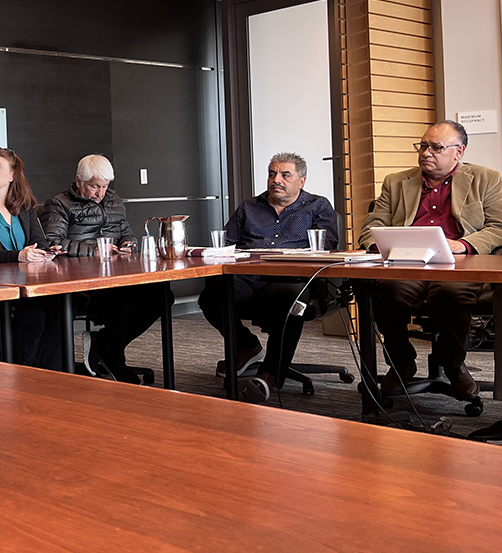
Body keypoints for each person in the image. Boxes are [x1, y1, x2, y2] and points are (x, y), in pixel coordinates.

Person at [359, 120, 502, 401]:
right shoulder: (396, 182)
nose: (426, 153)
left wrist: (463, 245)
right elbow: (372, 224)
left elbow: (499, 226)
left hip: (459, 265)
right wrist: (382, 245)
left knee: (451, 291)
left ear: (458, 152)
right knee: (385, 288)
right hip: (407, 264)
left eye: (436, 147)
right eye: (423, 146)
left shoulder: (487, 179)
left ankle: (452, 363)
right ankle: (401, 361)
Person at [197, 152, 338, 403]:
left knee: (290, 301)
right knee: (212, 296)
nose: (277, 180)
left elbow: (327, 246)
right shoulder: (250, 206)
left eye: (285, 175)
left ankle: (269, 375)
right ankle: (247, 345)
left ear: (302, 181)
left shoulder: (317, 206)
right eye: (272, 174)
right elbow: (227, 243)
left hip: (290, 277)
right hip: (249, 274)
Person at [41, 154, 165, 383]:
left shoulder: (114, 200)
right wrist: (96, 251)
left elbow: (126, 232)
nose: (100, 193)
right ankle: (111, 355)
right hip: (80, 282)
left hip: (116, 275)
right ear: (79, 180)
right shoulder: (58, 203)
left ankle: (106, 345)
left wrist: (128, 244)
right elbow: (52, 243)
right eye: (94, 186)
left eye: (105, 186)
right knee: (123, 303)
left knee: (160, 296)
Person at [0, 147, 61, 370]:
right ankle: (19, 370)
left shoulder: (24, 207)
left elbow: (39, 240)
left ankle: (47, 373)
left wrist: (46, 251)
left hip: (29, 281)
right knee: (32, 316)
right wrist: (19, 256)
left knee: (60, 307)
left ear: (12, 175)